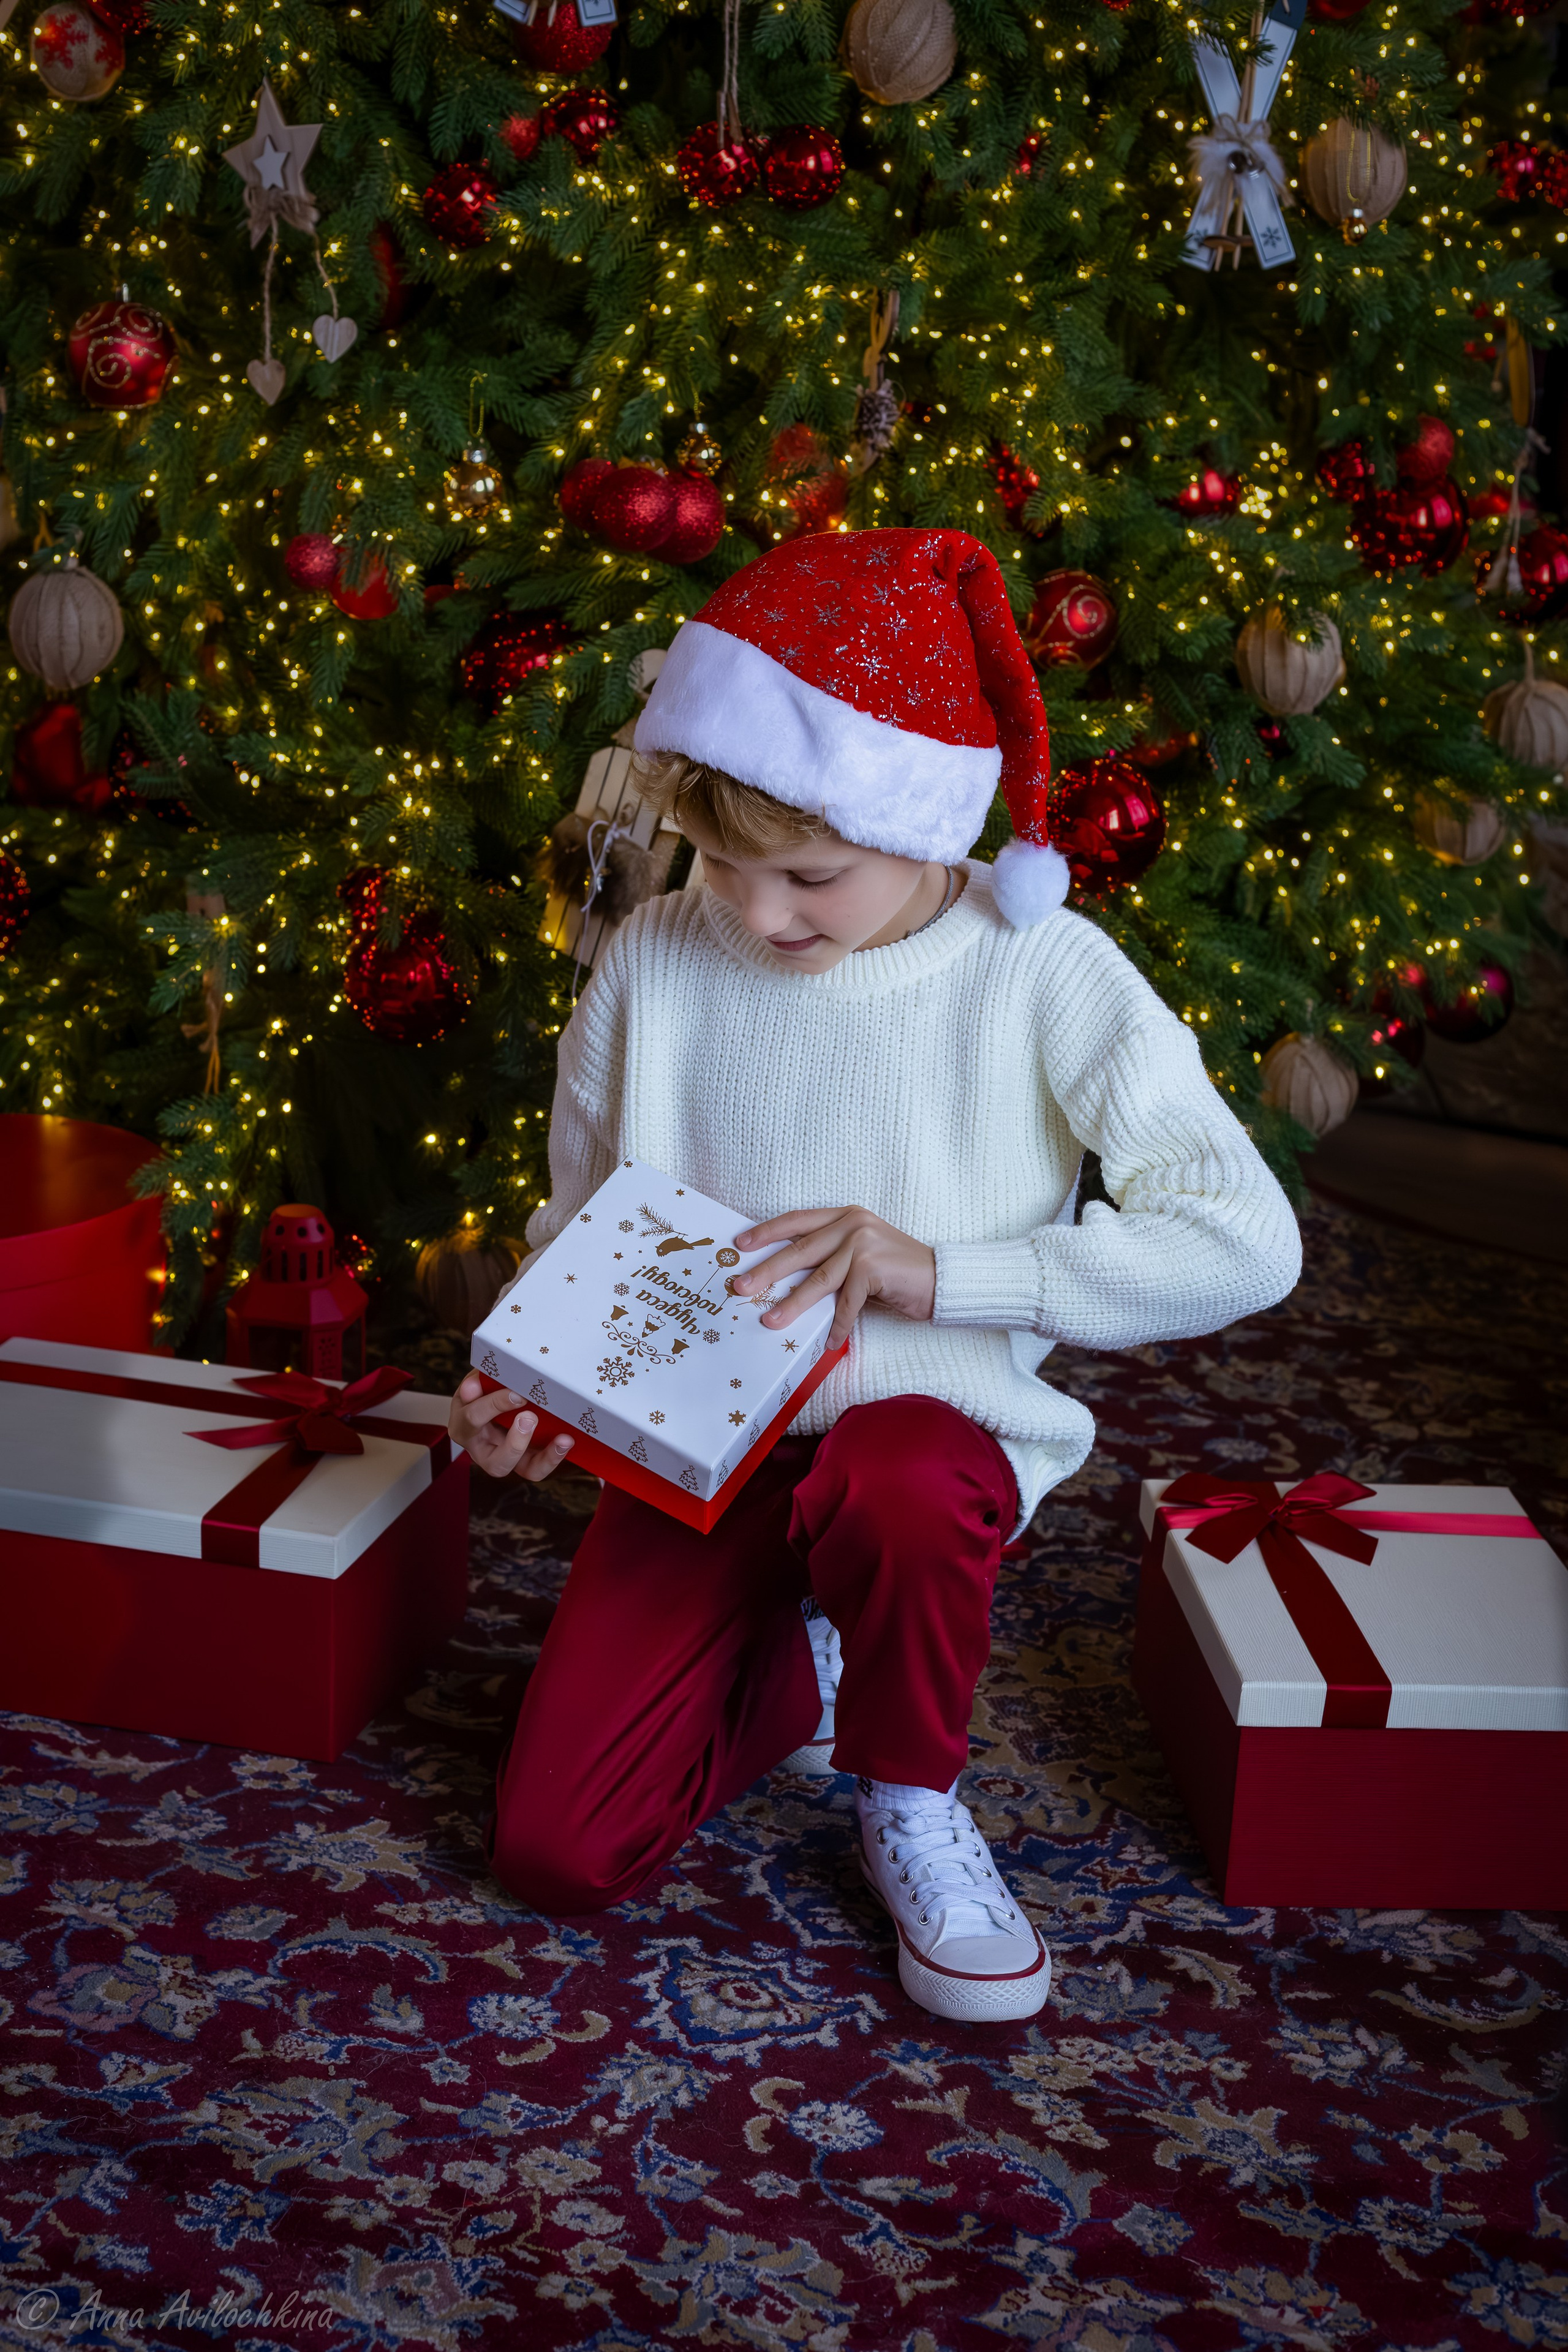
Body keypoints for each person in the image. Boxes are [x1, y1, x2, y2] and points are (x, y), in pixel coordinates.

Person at [448, 527, 1301, 2024]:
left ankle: (908, 1792)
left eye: (810, 875)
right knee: (554, 1852)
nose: (758, 913)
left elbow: (1244, 1239)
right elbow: (578, 1230)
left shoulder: (1037, 967)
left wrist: (943, 1272)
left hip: (920, 1451)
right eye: (720, 861)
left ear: (919, 822)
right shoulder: (654, 955)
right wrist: (529, 1392)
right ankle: (804, 1663)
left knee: (895, 1476)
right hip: (692, 1453)